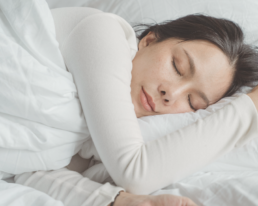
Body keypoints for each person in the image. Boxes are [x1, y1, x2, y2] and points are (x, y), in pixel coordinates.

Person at [14, 6, 258, 206]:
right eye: (177, 67)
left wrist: (123, 201)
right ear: (149, 40)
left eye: (192, 102)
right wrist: (250, 108)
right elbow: (135, 172)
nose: (170, 93)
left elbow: (25, 171)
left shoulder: (92, 140)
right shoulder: (101, 31)